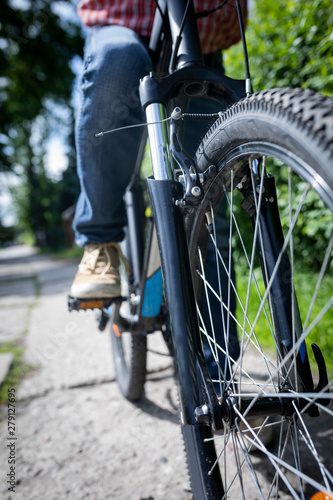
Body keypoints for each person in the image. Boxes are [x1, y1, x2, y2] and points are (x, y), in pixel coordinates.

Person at [70, 0, 247, 383]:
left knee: (207, 200)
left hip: (197, 24)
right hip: (125, 16)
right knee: (117, 61)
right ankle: (100, 242)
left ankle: (219, 375)